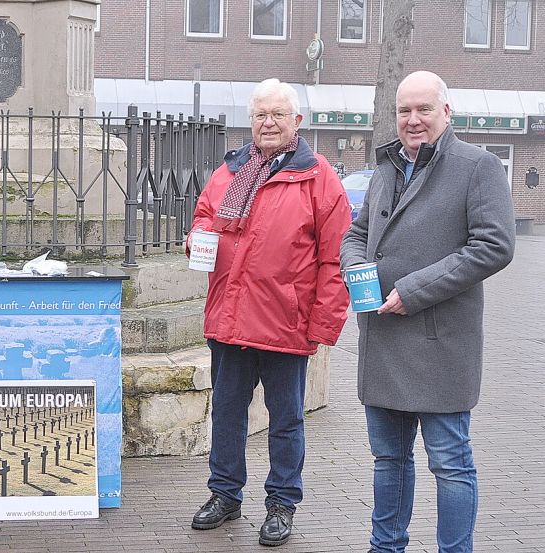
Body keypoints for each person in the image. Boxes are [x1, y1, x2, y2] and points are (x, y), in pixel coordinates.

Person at [341, 71, 515, 553]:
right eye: (404, 111)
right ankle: (385, 547)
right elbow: (356, 234)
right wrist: (358, 270)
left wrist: (412, 290)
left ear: (446, 112)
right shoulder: (387, 168)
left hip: (441, 342)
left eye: (423, 110)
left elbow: (494, 246)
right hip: (383, 340)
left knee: (451, 463)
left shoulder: (479, 167)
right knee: (388, 461)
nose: (412, 120)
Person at [186, 78, 350, 547]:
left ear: (297, 121)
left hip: (285, 324)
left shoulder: (319, 178)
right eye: (261, 115)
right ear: (250, 120)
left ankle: (281, 503)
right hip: (231, 319)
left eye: (278, 115)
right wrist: (197, 235)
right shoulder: (228, 172)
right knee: (227, 416)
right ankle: (225, 494)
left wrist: (321, 325)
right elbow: (205, 215)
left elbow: (335, 258)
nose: (269, 123)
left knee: (286, 422)